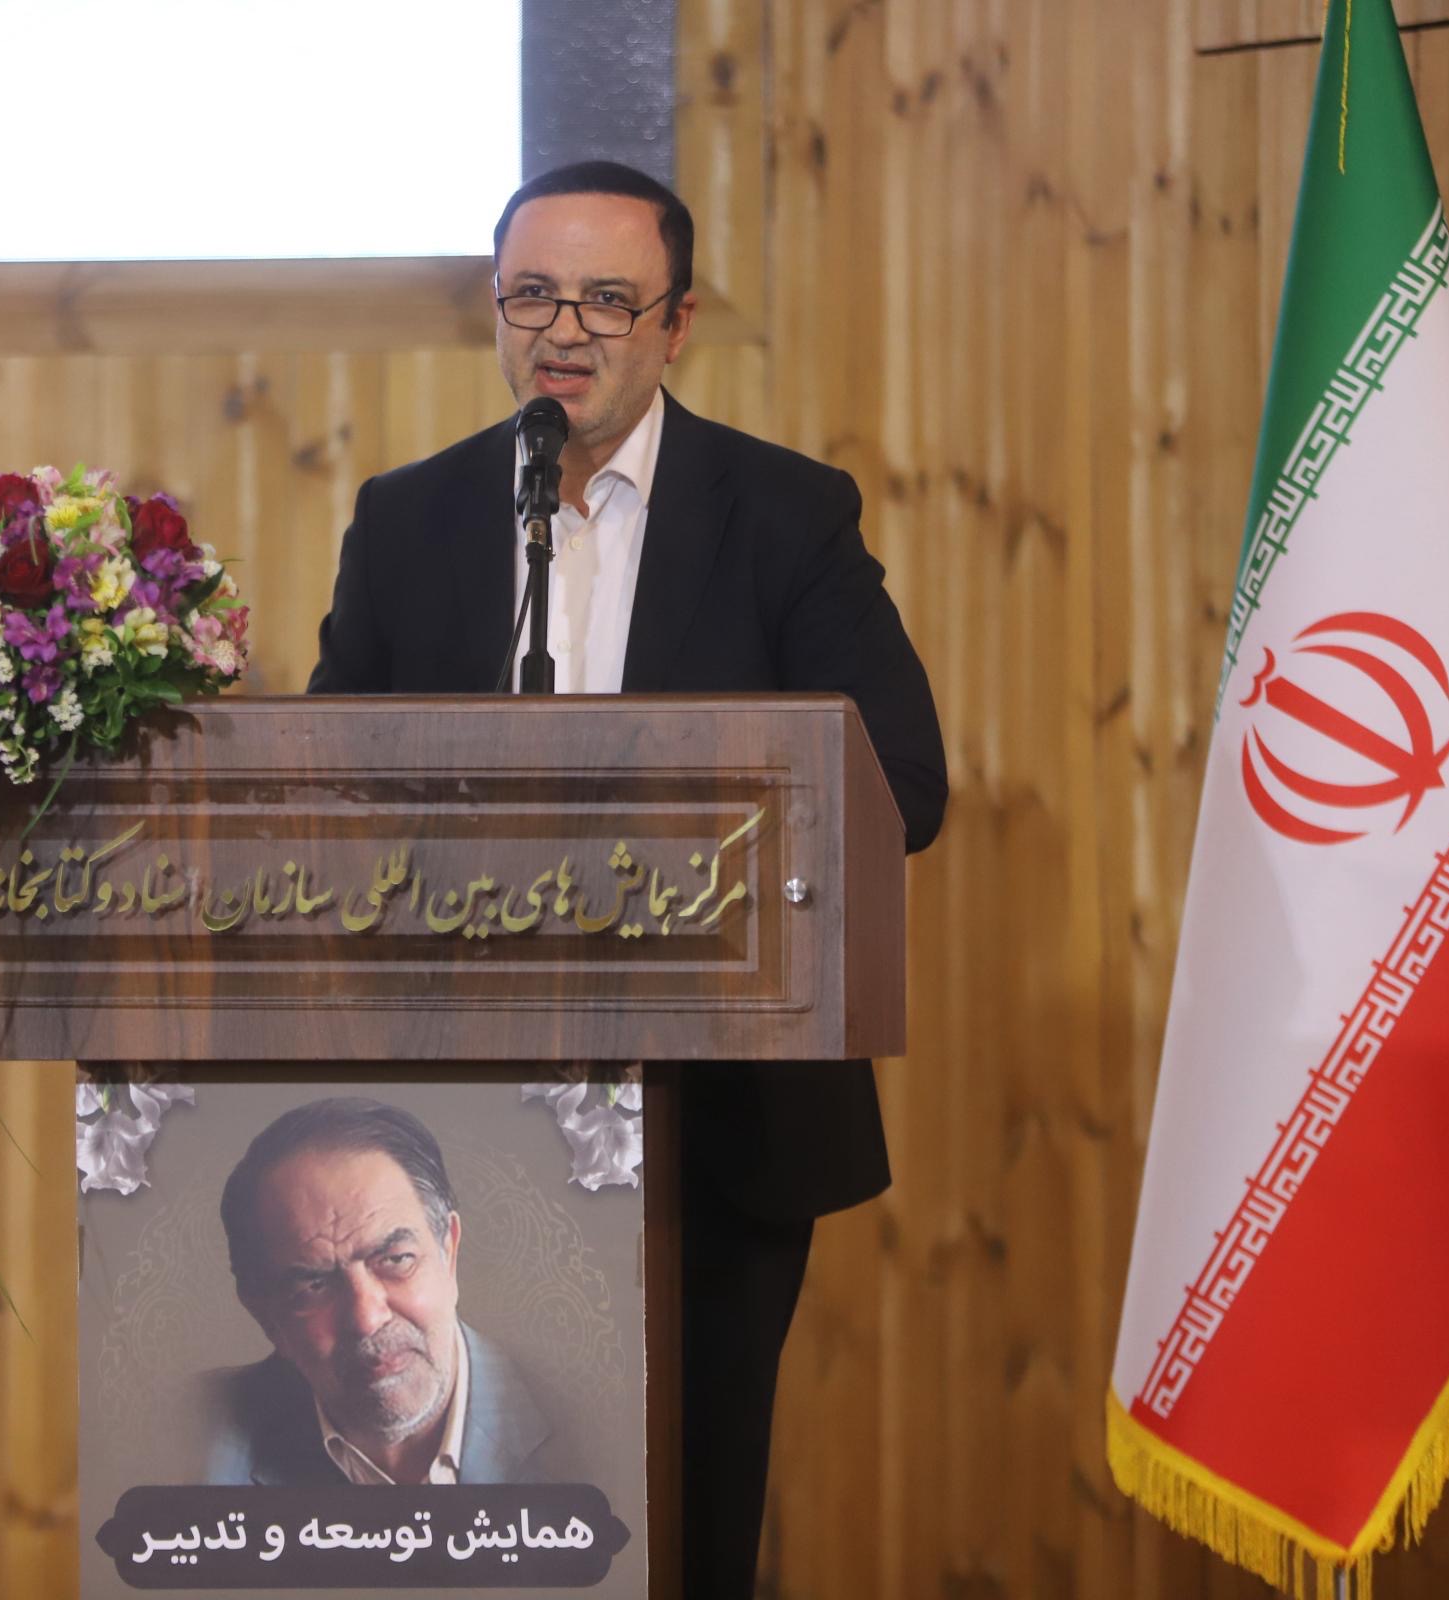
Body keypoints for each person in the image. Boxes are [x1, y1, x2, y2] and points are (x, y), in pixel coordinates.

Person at [306, 160, 947, 1594]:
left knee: (686, 1518)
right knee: (470, 1537)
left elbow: (900, 782)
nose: (565, 329)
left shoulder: (784, 514)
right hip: (455, 1117)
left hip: (718, 1112)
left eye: (607, 298)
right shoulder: (409, 518)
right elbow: (332, 792)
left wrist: (656, 856)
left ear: (677, 323)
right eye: (532, 295)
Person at [197, 1096, 579, 1486]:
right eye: (315, 1284)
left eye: (396, 1260)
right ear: (265, 1316)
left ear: (449, 1252)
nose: (367, 1319)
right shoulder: (196, 1441)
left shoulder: (580, 1419)